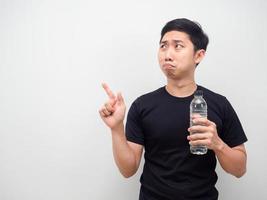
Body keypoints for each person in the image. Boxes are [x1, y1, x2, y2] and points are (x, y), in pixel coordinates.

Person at [99, 18, 247, 200]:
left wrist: (218, 144)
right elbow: (128, 170)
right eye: (163, 46)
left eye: (178, 46)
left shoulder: (219, 104)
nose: (167, 54)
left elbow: (240, 169)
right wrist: (116, 128)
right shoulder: (142, 105)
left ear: (198, 55)